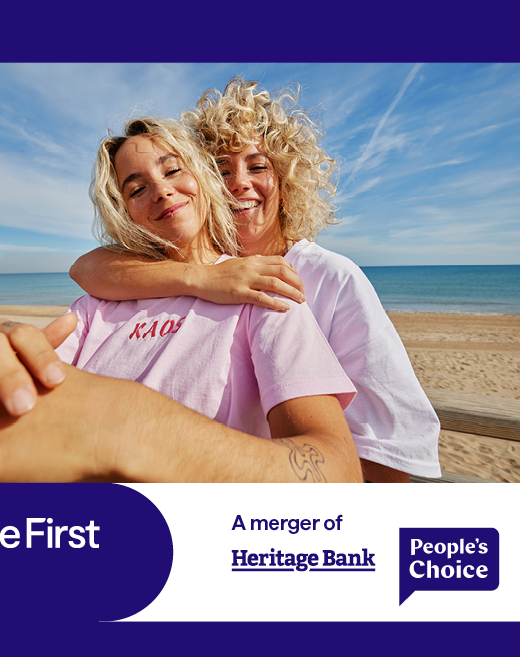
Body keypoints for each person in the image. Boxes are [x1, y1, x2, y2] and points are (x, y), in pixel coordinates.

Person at [0, 117, 362, 483]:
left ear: (202, 177)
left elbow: (336, 474)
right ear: (124, 212)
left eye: (173, 170)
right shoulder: (97, 306)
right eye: (137, 188)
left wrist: (134, 428)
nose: (161, 190)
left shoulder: (260, 289)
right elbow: (33, 403)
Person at [70, 78, 441, 482]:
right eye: (221, 170)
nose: (239, 183)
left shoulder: (326, 279)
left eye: (258, 166)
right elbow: (87, 268)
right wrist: (199, 277)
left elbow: (383, 452)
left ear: (286, 176)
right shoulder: (172, 278)